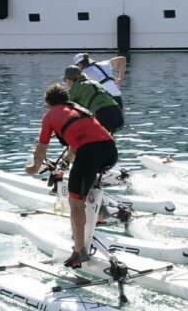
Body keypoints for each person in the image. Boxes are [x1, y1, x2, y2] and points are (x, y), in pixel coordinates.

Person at [25, 84, 118, 269]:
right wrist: (66, 162)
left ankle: (79, 251)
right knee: (87, 176)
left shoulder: (50, 115)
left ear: (48, 103)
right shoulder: (78, 109)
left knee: (75, 203)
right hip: (110, 150)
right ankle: (101, 208)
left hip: (89, 152)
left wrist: (34, 167)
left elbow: (42, 147)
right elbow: (79, 142)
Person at [63, 66, 123, 134]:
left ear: (69, 79)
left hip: (103, 114)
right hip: (118, 112)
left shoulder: (73, 90)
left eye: (65, 80)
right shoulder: (95, 82)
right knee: (109, 139)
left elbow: (69, 111)